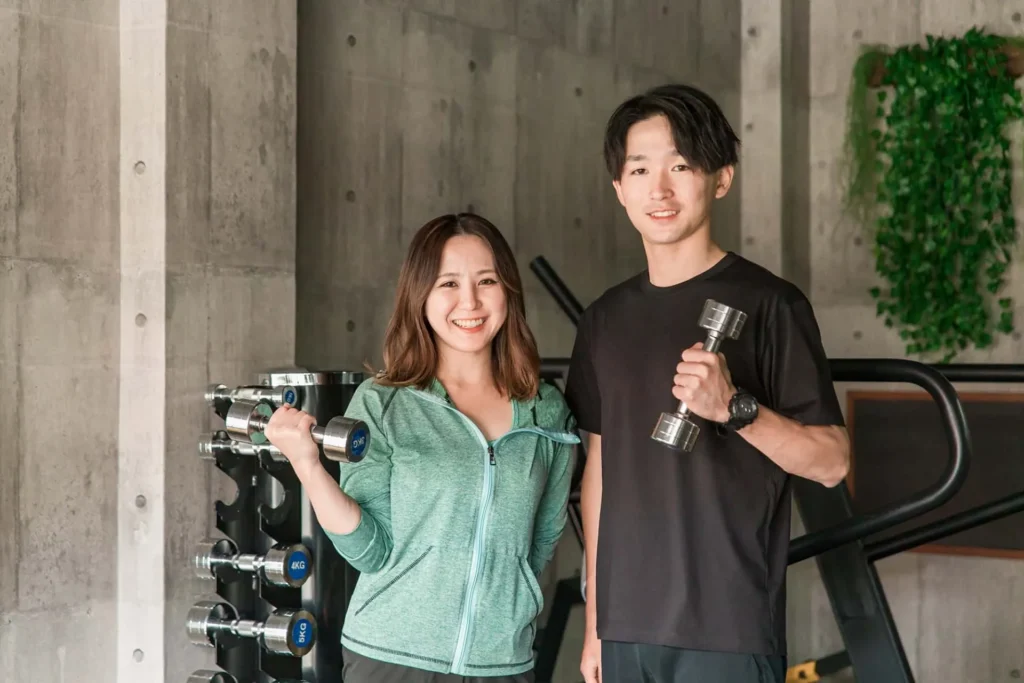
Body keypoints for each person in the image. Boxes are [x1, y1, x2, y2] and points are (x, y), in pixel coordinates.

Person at [565, 84, 851, 683]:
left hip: (727, 625)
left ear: (720, 178)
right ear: (620, 190)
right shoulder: (603, 320)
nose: (659, 189)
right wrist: (596, 621)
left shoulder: (772, 305)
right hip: (625, 627)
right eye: (640, 169)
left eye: (681, 165)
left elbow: (830, 463)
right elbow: (600, 471)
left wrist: (736, 408)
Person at [264, 213, 580, 682]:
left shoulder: (546, 410)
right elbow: (370, 551)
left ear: (508, 291)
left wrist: (508, 609)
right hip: (392, 659)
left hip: (504, 663)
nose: (469, 301)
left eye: (486, 280)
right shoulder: (384, 402)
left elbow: (541, 542)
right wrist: (308, 466)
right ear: (421, 297)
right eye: (447, 283)